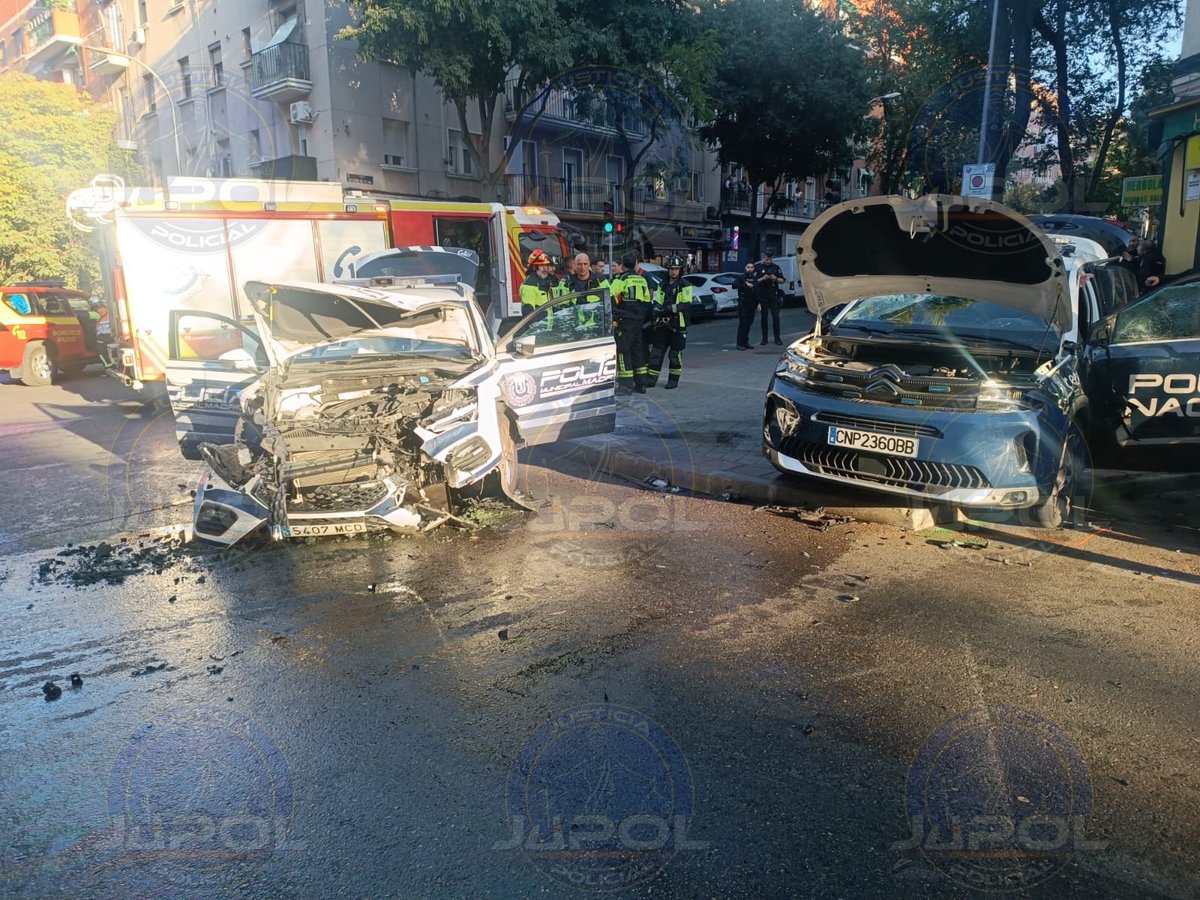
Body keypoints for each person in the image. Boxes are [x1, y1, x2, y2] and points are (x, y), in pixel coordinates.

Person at [647, 255, 693, 389]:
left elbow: (685, 304)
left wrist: (668, 309)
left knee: (674, 355)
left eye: (676, 269)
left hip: (678, 325)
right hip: (662, 324)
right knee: (656, 353)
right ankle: (651, 380)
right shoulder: (662, 284)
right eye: (671, 269)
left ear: (680, 270)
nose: (673, 271)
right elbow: (657, 300)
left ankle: (673, 381)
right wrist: (656, 309)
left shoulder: (685, 285)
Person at [609, 253, 651, 393]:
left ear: (623, 265)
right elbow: (647, 300)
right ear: (635, 264)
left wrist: (616, 311)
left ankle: (625, 385)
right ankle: (641, 384)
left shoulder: (621, 280)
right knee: (638, 351)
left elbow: (610, 297)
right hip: (638, 321)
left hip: (625, 320)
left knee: (623, 350)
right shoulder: (641, 280)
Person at [562, 252, 609, 328]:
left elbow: (610, 303)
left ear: (589, 264)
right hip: (575, 327)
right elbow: (563, 306)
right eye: (579, 264)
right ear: (575, 265)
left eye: (585, 264)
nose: (582, 267)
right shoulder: (567, 283)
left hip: (596, 327)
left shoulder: (601, 281)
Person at [754, 252, 785, 345]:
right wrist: (763, 278)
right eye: (767, 259)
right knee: (764, 318)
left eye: (770, 259)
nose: (768, 261)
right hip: (763, 295)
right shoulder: (758, 268)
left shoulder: (776, 267)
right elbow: (755, 281)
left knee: (776, 317)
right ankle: (764, 339)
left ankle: (777, 338)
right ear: (763, 258)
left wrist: (775, 278)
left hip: (773, 295)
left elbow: (782, 280)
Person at [519, 249, 557, 314]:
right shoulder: (530, 286)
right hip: (539, 323)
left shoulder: (544, 283)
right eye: (542, 266)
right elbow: (528, 313)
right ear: (534, 267)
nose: (545, 269)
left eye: (546, 265)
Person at [734, 262, 758, 350]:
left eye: (752, 267)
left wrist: (759, 303)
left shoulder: (754, 277)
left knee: (749, 323)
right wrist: (745, 285)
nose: (750, 269)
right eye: (748, 267)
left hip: (752, 303)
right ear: (745, 268)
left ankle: (746, 342)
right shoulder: (741, 277)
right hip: (743, 303)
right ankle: (739, 343)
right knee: (743, 323)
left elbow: (756, 290)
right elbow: (734, 285)